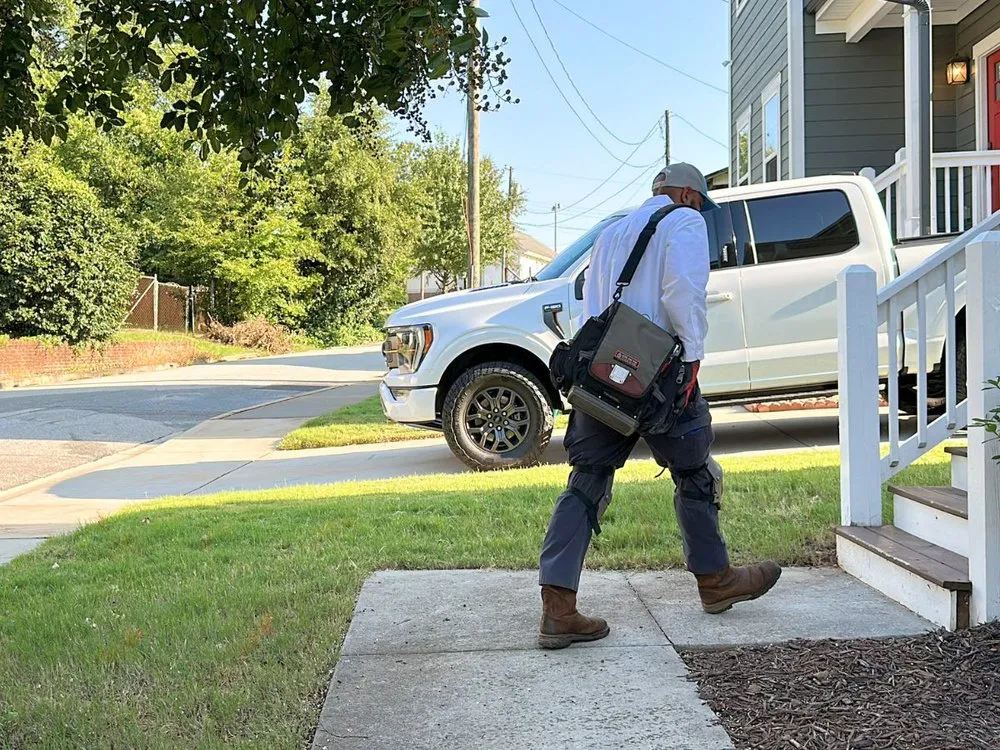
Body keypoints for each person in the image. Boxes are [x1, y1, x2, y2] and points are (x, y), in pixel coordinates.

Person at [537, 163, 782, 650]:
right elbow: (682, 293)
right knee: (695, 472)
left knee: (587, 481)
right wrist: (692, 358)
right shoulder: (684, 222)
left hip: (607, 366)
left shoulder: (611, 231)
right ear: (689, 195)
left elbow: (593, 303)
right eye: (701, 204)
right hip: (660, 374)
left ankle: (558, 607)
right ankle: (715, 581)